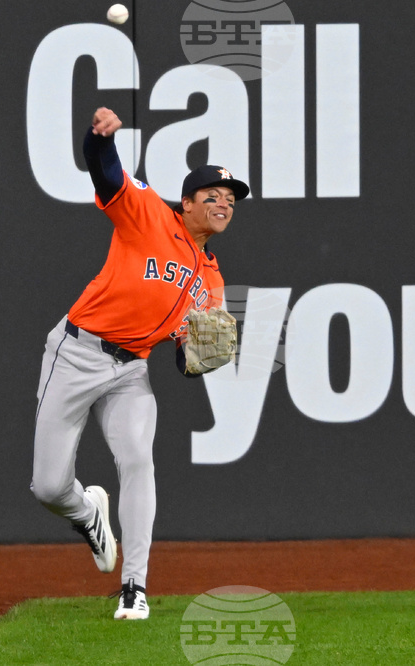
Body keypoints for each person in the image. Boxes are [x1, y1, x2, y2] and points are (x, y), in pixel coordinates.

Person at [30, 107, 248, 620]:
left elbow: (185, 360)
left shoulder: (211, 280)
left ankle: (135, 586)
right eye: (212, 196)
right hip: (77, 351)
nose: (224, 203)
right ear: (188, 203)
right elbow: (106, 175)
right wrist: (99, 139)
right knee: (48, 487)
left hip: (130, 371)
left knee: (138, 460)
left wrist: (199, 359)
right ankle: (88, 515)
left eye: (231, 199)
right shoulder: (149, 212)